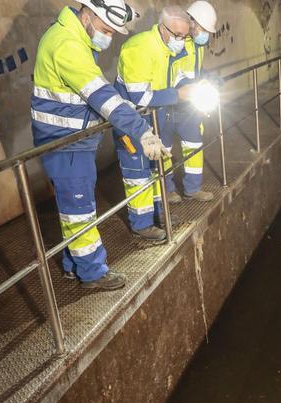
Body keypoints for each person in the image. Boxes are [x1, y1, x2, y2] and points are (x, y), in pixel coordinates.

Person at [31, 0, 168, 290]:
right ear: (87, 15)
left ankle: (72, 266)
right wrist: (142, 131)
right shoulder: (67, 45)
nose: (108, 36)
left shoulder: (73, 38)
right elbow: (101, 96)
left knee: (73, 208)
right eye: (106, 28)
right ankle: (92, 273)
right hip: (65, 143)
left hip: (71, 141)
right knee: (79, 210)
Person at [113, 2, 218, 241]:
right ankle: (142, 225)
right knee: (138, 175)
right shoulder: (139, 48)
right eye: (179, 35)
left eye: (184, 35)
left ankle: (160, 215)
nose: (183, 39)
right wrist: (179, 95)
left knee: (155, 168)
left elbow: (176, 78)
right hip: (132, 119)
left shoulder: (165, 47)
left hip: (153, 113)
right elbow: (141, 97)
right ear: (164, 28)